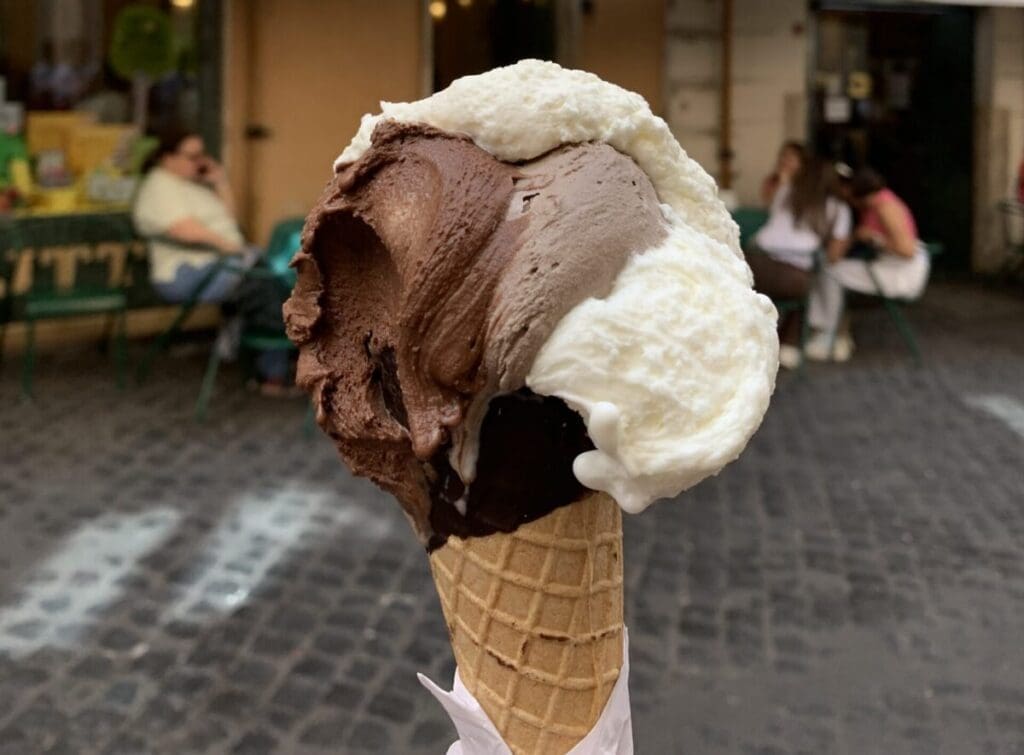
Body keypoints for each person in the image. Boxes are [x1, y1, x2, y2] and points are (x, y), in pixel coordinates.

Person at [132, 128, 292, 392]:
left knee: (272, 278)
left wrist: (219, 182)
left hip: (216, 264)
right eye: (192, 156)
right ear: (167, 158)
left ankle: (274, 357)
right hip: (185, 271)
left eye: (202, 155)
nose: (200, 162)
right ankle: (276, 366)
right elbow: (183, 230)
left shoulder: (191, 186)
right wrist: (232, 248)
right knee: (266, 281)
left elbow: (228, 220)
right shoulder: (160, 186)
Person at [806, 167, 930, 362]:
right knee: (835, 270)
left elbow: (907, 250)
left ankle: (826, 334)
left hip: (901, 273)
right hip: (889, 266)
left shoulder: (885, 207)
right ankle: (837, 334)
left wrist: (874, 238)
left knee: (831, 271)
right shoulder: (877, 204)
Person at [746, 157, 852, 369]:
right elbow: (833, 256)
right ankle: (789, 346)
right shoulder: (839, 209)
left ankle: (758, 345)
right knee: (808, 290)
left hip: (754, 263)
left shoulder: (785, 193)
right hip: (791, 276)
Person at [761, 140, 805, 206]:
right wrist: (782, 182)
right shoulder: (771, 181)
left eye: (791, 157)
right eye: (784, 155)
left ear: (801, 163)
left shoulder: (806, 183)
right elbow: (769, 204)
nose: (785, 160)